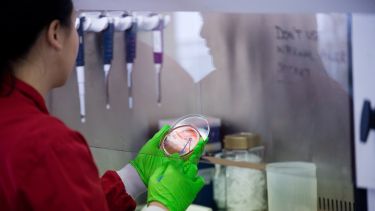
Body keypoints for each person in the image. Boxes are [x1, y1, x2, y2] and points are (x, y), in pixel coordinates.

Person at [0, 0, 205, 210]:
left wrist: (135, 176)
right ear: (55, 34)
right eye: (75, 26)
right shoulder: (49, 145)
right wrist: (163, 205)